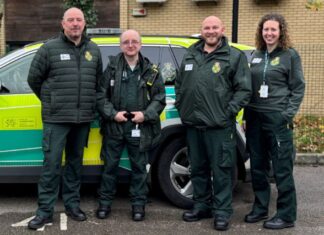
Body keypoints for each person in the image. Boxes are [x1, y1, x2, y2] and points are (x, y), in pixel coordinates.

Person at [27, 7, 103, 230]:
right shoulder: (49, 48)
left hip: (82, 120)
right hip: (56, 119)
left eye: (79, 20)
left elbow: (98, 84)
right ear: (63, 24)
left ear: (84, 23)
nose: (75, 24)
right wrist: (52, 100)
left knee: (74, 165)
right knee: (51, 166)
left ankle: (72, 206)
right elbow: (34, 79)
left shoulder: (94, 50)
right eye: (70, 20)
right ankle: (44, 212)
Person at [175, 16, 251, 231]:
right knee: (197, 168)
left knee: (221, 170)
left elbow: (244, 90)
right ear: (201, 31)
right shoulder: (191, 53)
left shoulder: (233, 56)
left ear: (222, 29)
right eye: (206, 28)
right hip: (193, 125)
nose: (210, 31)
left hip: (219, 127)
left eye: (214, 27)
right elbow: (180, 84)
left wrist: (227, 112)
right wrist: (182, 107)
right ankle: (201, 206)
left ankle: (222, 212)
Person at [96, 29, 166, 221]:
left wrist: (145, 115)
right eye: (126, 42)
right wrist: (112, 114)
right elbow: (101, 96)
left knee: (139, 169)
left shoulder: (151, 71)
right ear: (121, 45)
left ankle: (138, 205)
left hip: (139, 127)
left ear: (140, 45)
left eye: (134, 41)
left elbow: (159, 98)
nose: (130, 45)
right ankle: (104, 204)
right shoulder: (111, 67)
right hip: (115, 125)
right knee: (109, 167)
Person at [243, 13, 305, 230]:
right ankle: (260, 208)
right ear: (261, 32)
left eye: (273, 30)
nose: (269, 33)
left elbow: (298, 88)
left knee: (281, 169)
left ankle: (286, 215)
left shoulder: (290, 55)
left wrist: (286, 115)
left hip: (277, 119)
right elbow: (248, 89)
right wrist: (245, 117)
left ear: (281, 32)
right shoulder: (256, 55)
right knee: (258, 167)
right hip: (254, 119)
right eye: (265, 30)